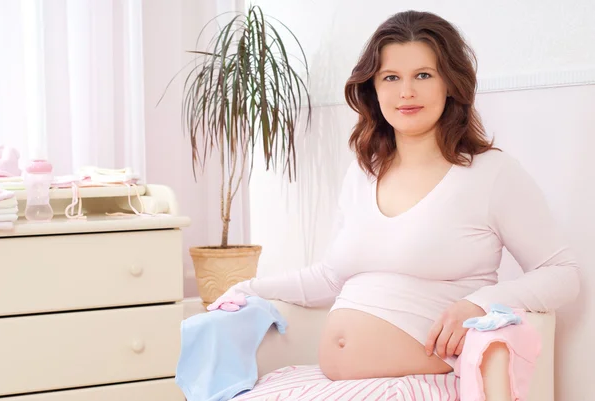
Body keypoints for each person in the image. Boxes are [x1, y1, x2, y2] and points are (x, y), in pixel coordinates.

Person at [222, 9, 580, 397]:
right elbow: (330, 277)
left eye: (423, 75)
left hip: (422, 384)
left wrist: (480, 304)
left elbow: (563, 273)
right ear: (373, 89)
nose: (406, 92)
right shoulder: (363, 172)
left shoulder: (490, 173)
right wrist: (248, 288)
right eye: (391, 77)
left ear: (451, 84)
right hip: (334, 382)